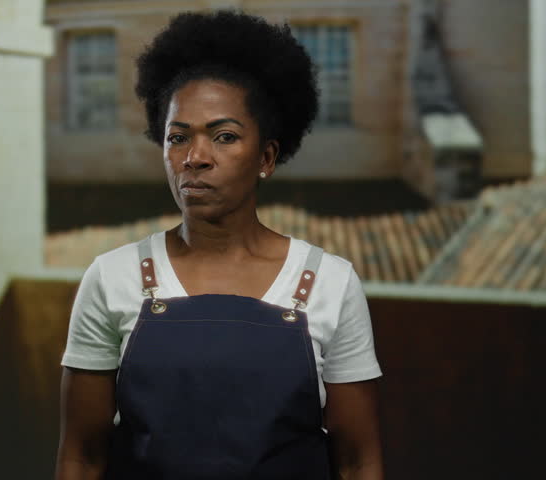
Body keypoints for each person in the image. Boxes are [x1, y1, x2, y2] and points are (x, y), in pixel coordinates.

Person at [55, 10, 383, 480]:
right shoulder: (112, 277)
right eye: (177, 138)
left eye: (224, 137)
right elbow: (81, 457)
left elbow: (358, 462)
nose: (195, 158)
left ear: (267, 156)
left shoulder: (329, 282)